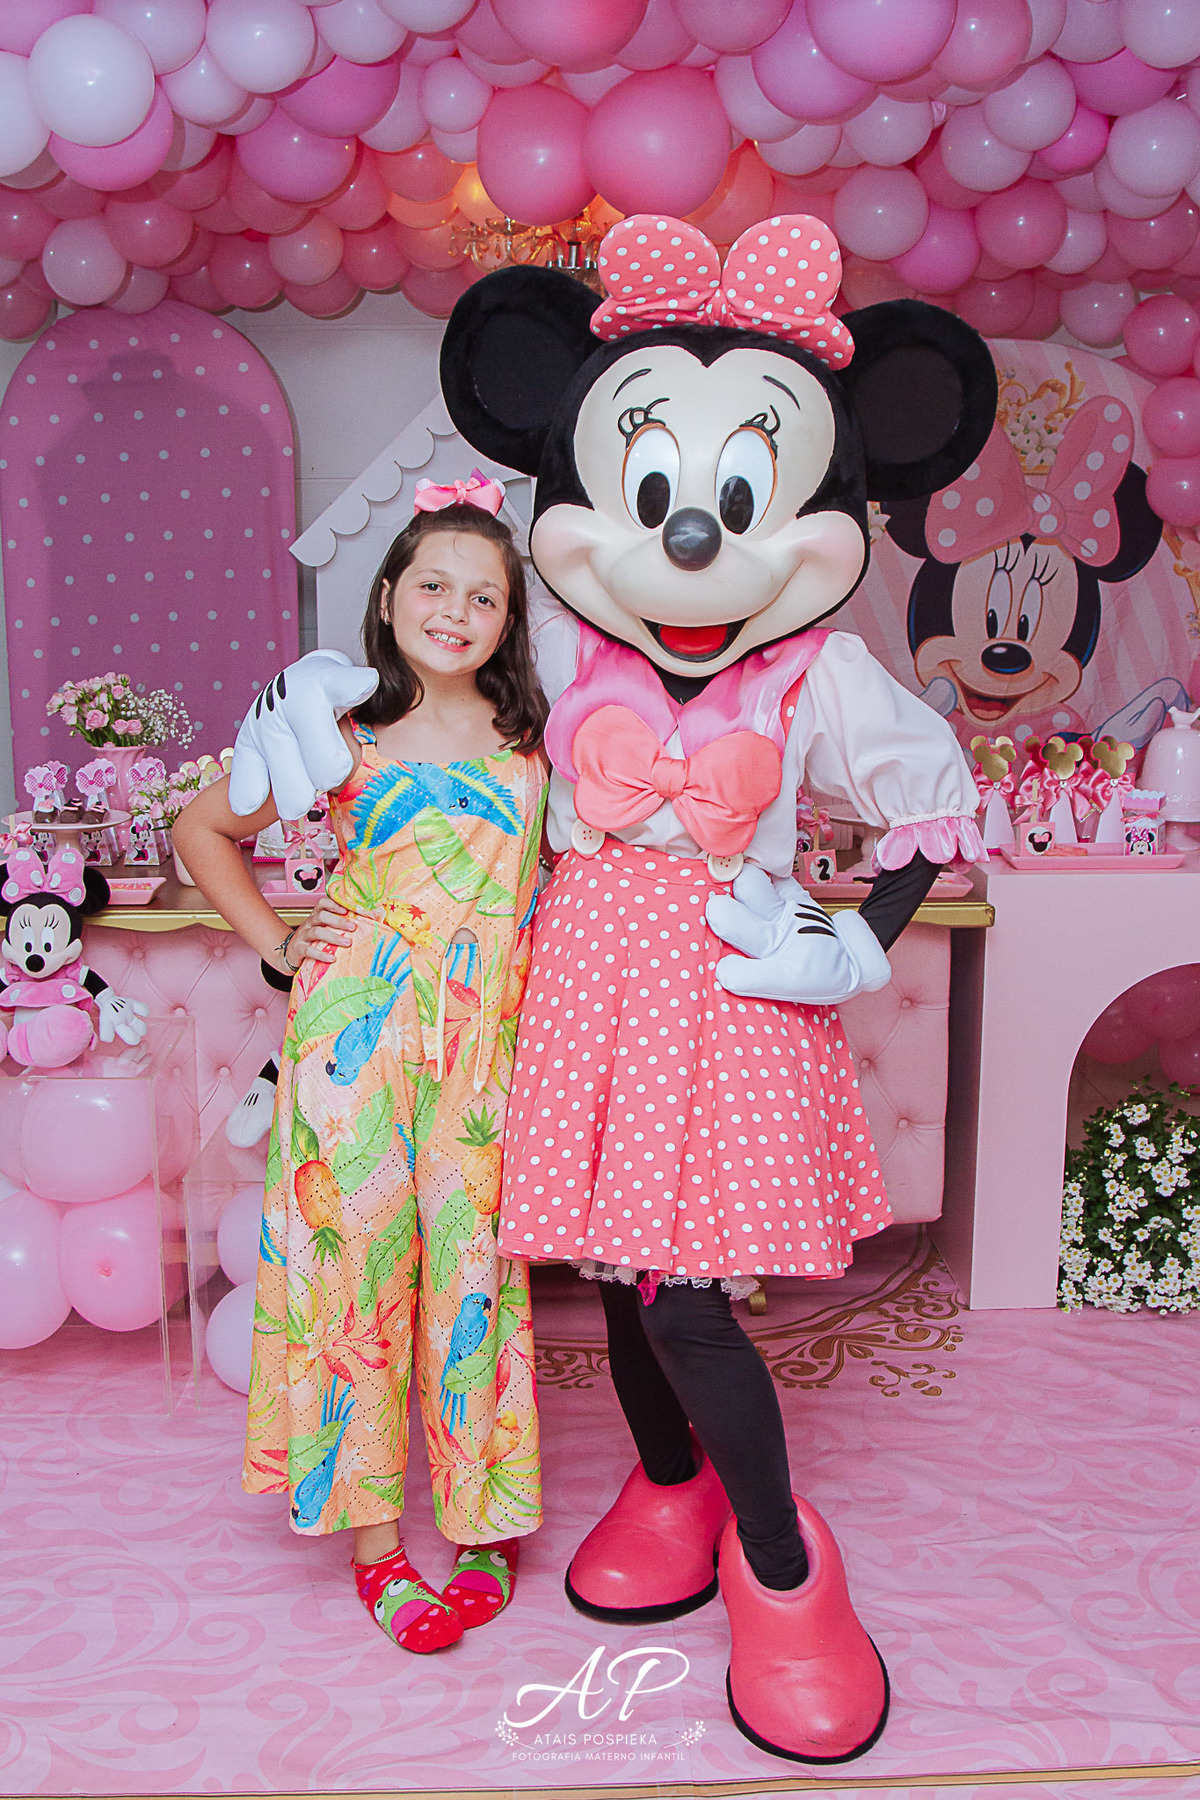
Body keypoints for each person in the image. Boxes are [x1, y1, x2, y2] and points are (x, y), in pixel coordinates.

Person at [173, 487, 548, 1654]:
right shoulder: (332, 732)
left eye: (484, 597)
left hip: (486, 1045)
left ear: (507, 621)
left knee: (477, 1283)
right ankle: (377, 1547)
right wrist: (280, 943)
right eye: (433, 585)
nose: (455, 612)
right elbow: (200, 830)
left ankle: (485, 1524)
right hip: (354, 1041)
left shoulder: (540, 739)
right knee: (356, 1290)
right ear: (387, 599)